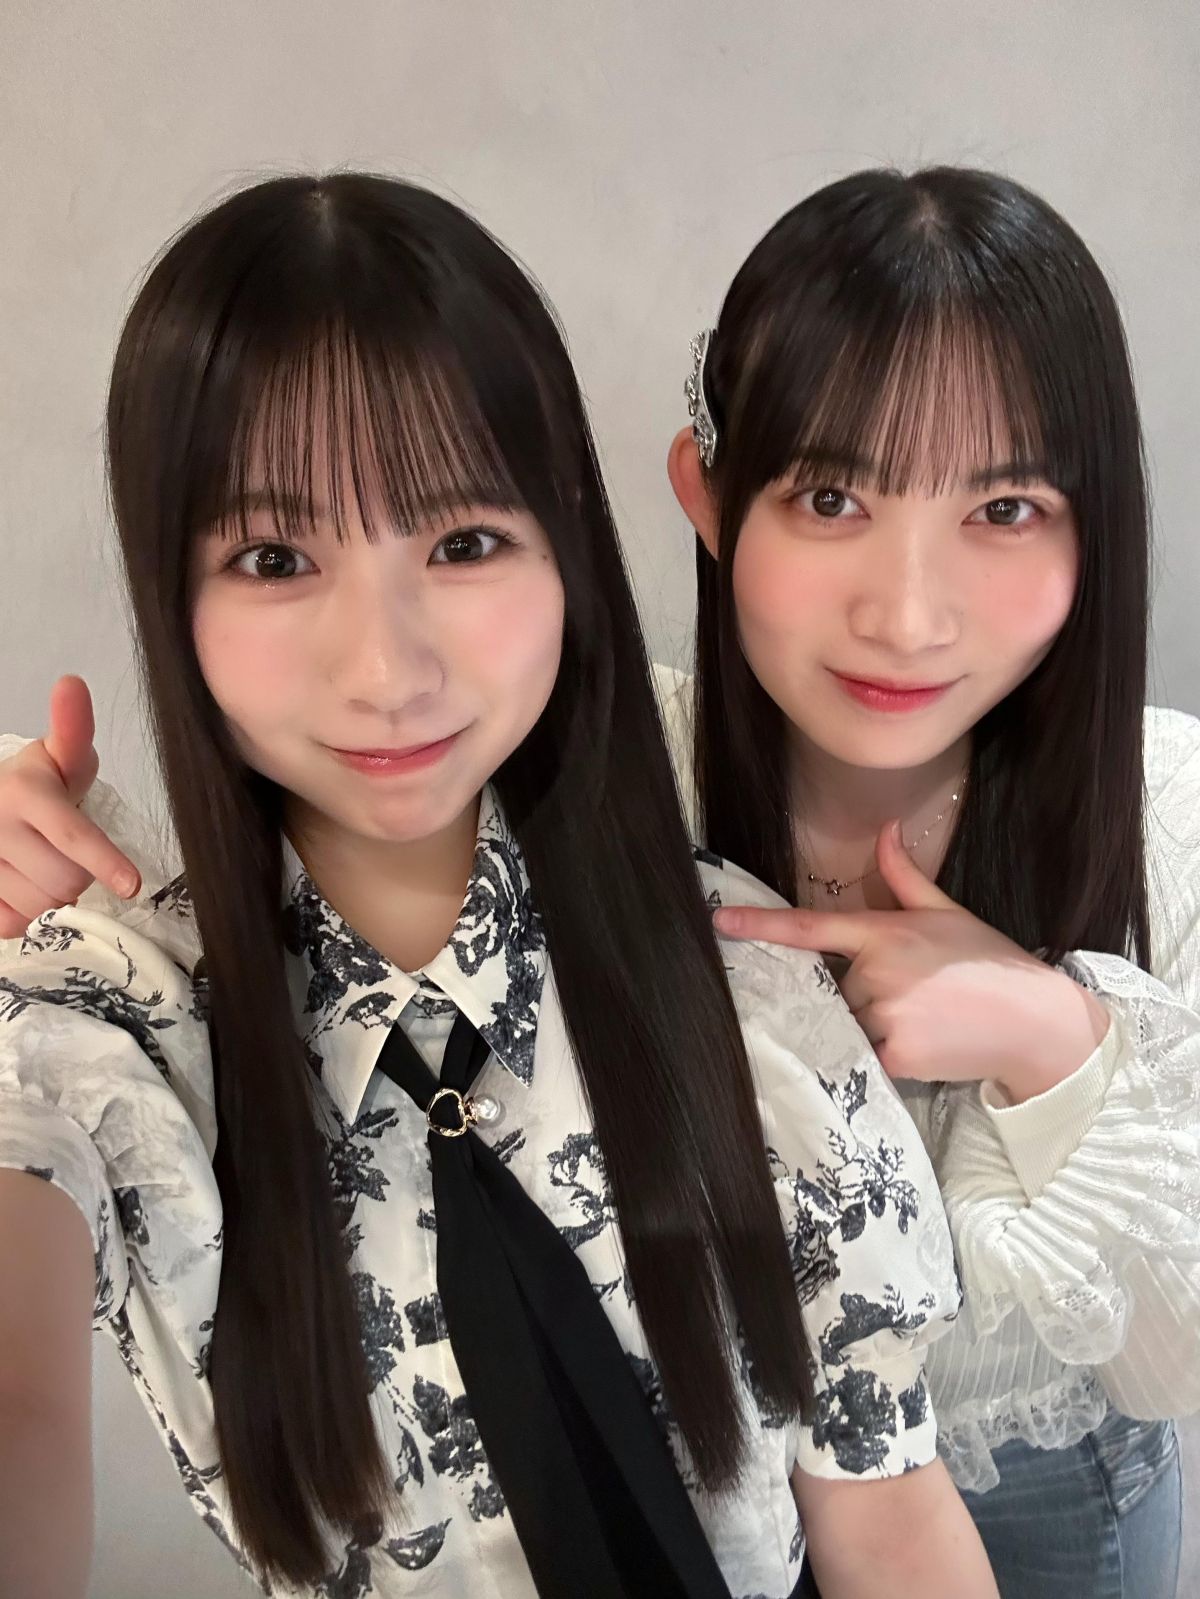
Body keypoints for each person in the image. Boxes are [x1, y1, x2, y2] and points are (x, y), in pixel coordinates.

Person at [0, 173, 995, 1599]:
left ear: (566, 548)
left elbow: (887, 1513)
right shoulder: (118, 1023)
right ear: (174, 591)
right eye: (275, 559)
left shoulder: (745, 986)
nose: (386, 667)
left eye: (463, 543)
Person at [661, 166, 1199, 1598]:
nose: (907, 615)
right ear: (708, 493)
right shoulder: (614, 780)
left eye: (1005, 507)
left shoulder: (1174, 810)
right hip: (705, 1482)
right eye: (831, 496)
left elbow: (1176, 1366)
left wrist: (1051, 1040)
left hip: (1039, 1501)